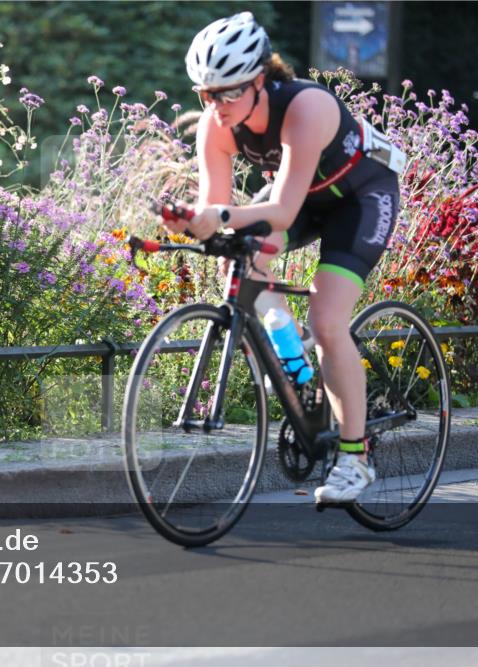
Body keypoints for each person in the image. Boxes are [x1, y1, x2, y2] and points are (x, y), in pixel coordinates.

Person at [164, 12, 406, 503]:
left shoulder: (305, 106)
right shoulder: (216, 126)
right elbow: (219, 206)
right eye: (206, 95)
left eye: (229, 92)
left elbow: (284, 209)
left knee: (328, 318)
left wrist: (217, 213)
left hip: (360, 198)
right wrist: (192, 219)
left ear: (259, 80)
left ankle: (354, 458)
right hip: (303, 199)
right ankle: (293, 361)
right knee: (235, 259)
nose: (217, 105)